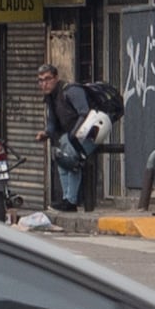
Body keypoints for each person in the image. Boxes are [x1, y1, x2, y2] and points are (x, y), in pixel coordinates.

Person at [45, 62, 109, 216]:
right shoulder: (51, 97)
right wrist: (46, 133)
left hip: (91, 131)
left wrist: (73, 134)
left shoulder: (71, 90)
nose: (44, 84)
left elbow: (84, 112)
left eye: (47, 79)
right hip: (70, 136)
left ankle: (71, 201)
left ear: (56, 78)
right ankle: (67, 199)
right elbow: (52, 121)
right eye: (40, 80)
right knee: (61, 161)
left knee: (71, 159)